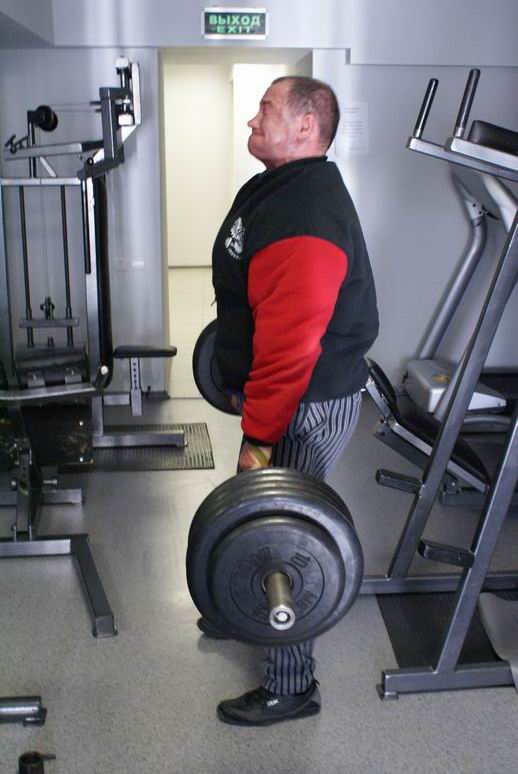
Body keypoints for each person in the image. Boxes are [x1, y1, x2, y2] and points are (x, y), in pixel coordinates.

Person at [200, 75, 378, 726]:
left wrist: (259, 438)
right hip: (284, 395)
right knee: (257, 515)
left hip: (302, 399)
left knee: (281, 535)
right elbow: (254, 299)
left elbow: (290, 349)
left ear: (306, 126)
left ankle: (291, 685)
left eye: (266, 109)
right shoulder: (281, 187)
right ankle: (238, 600)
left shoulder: (306, 215)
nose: (253, 119)